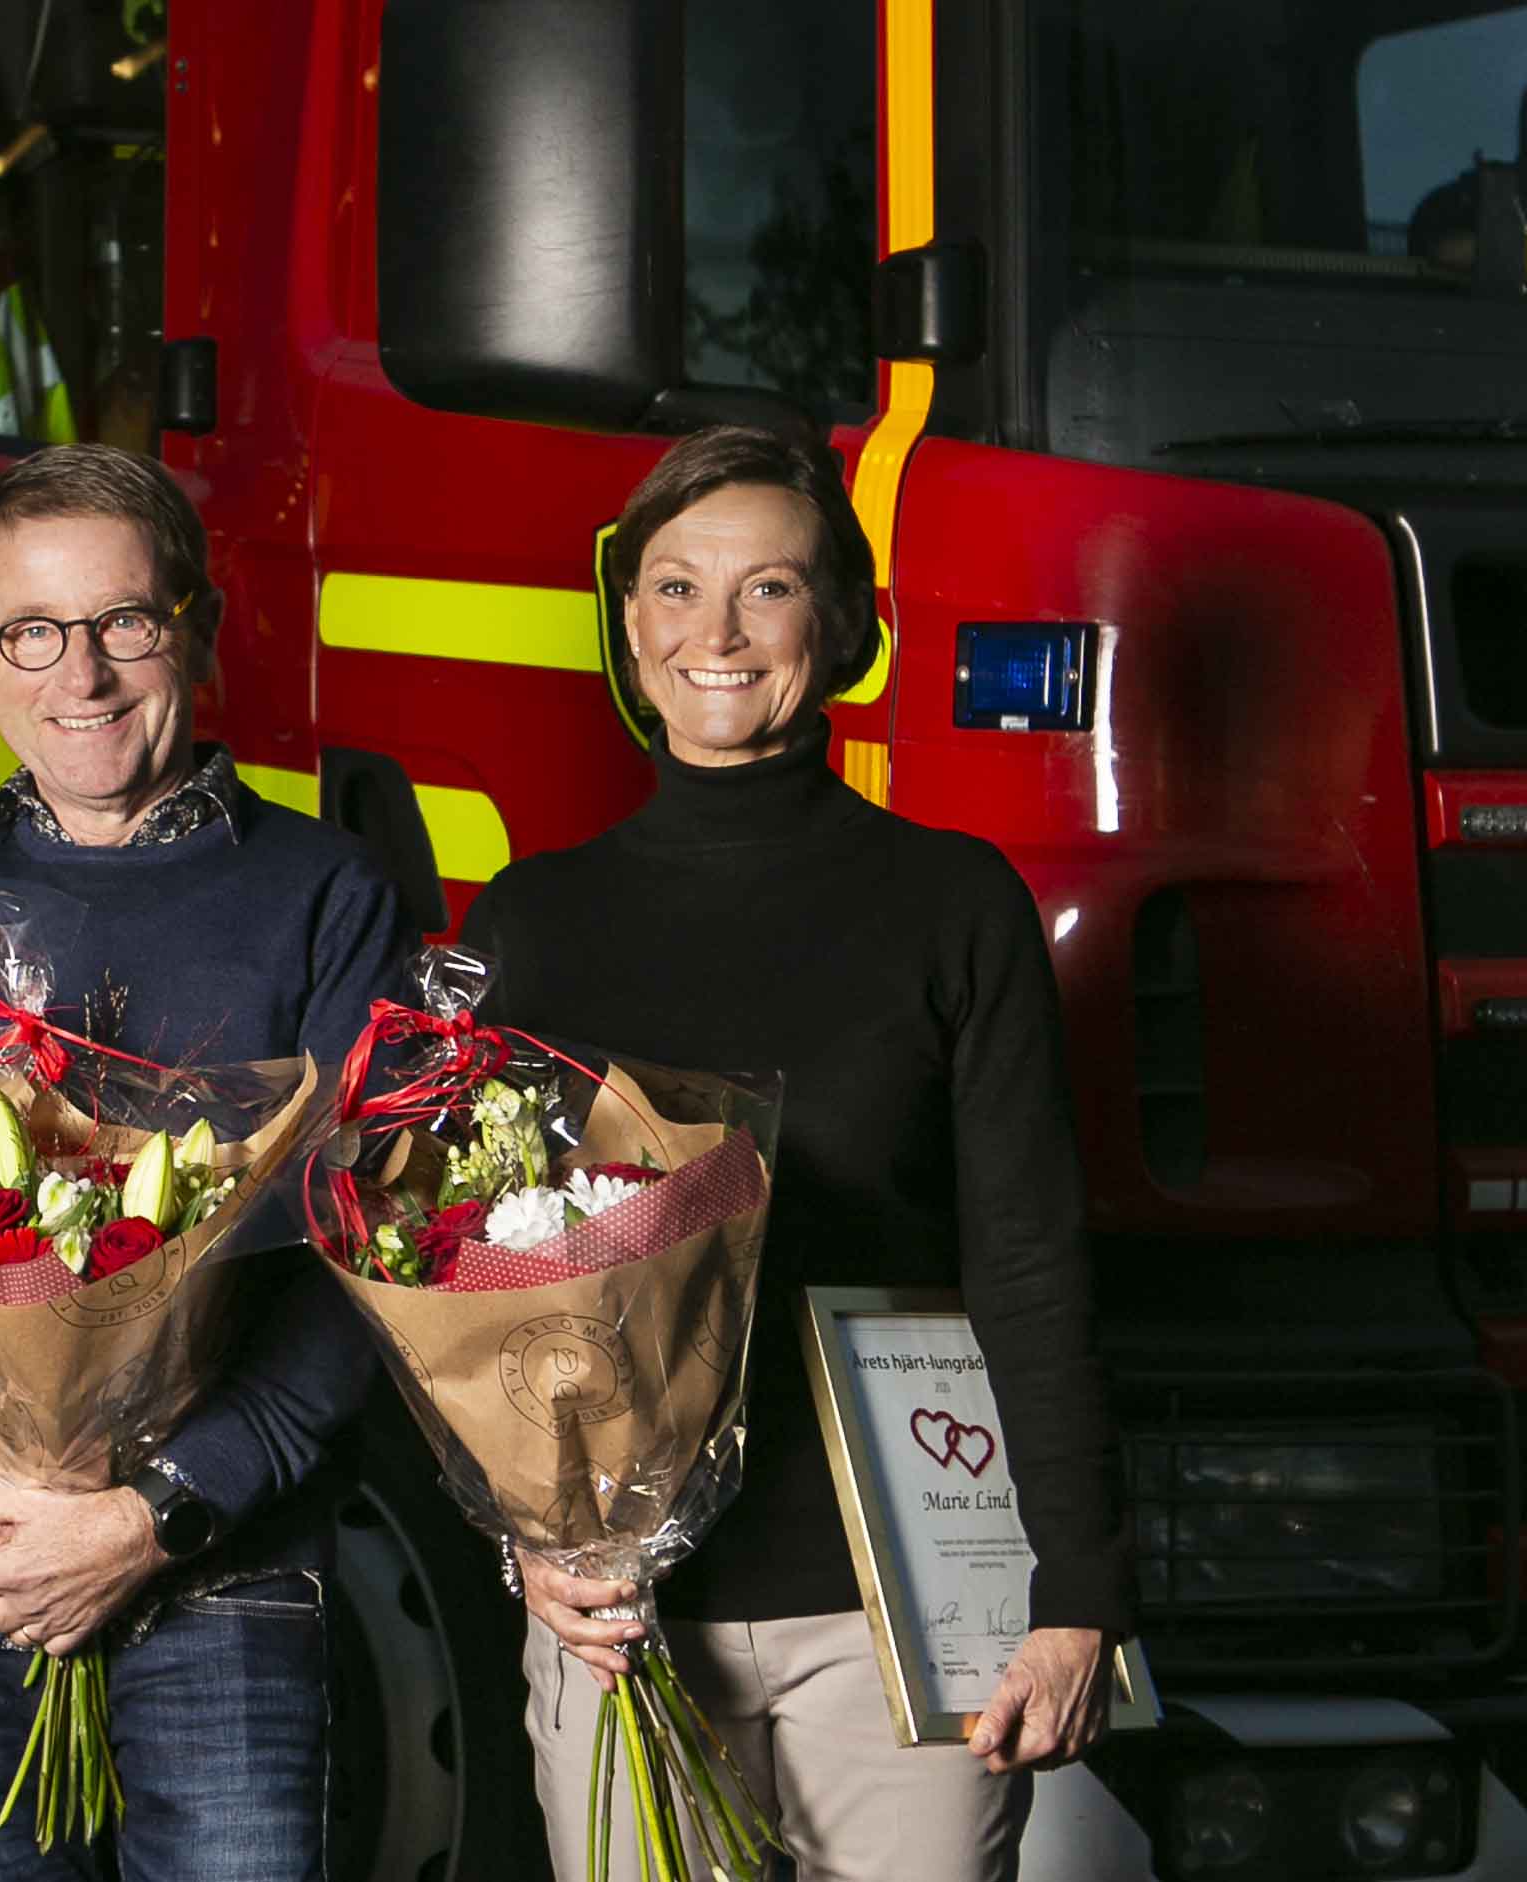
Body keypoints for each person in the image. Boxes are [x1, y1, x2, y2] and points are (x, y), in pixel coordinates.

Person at [461, 425, 1129, 1882]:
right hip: (622, 1610)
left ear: (844, 626)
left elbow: (1026, 1258)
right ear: (627, 625)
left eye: (768, 588)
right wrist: (529, 1550)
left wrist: (1077, 1589)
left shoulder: (953, 905)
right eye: (675, 588)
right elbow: (460, 1286)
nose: (717, 631)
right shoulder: (529, 924)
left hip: (897, 1602)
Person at [0, 443, 411, 1882]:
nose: (84, 673)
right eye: (34, 631)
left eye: (125, 620)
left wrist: (158, 1509)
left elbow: (358, 1260)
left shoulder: (326, 894)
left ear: (191, 623)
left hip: (224, 1571)